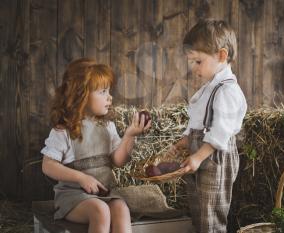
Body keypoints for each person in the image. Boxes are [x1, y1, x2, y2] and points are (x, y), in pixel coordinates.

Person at [41, 58, 151, 233]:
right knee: (100, 211)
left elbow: (118, 160)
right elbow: (48, 165)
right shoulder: (63, 131)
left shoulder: (107, 127)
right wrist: (81, 177)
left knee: (121, 208)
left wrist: (130, 135)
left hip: (105, 194)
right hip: (73, 197)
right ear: (81, 95)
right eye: (103, 92)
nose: (110, 97)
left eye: (109, 91)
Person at [170, 19, 247, 233]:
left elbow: (220, 132)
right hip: (201, 152)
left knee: (211, 213)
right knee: (198, 209)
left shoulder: (227, 91)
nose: (194, 68)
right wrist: (185, 140)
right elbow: (199, 119)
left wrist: (198, 156)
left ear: (222, 56)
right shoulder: (210, 88)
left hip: (215, 157)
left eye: (198, 62)